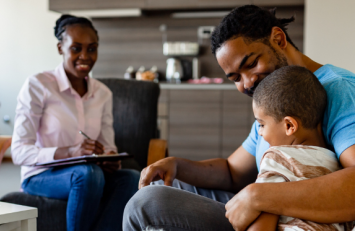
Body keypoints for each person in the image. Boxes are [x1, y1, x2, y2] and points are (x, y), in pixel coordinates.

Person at [123, 5, 355, 231]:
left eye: (251, 64)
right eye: (235, 77)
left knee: (146, 204)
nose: (248, 83)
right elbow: (233, 172)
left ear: (278, 39)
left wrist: (259, 196)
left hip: (294, 221)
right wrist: (177, 165)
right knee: (169, 185)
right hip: (266, 210)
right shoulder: (275, 99)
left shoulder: (338, 89)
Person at [11, 14, 140, 231]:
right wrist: (70, 152)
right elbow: (19, 152)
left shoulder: (103, 94)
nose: (85, 56)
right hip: (42, 175)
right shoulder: (38, 85)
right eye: (76, 48)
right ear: (60, 48)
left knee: (130, 178)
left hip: (90, 174)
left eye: (92, 48)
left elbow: (108, 146)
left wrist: (109, 158)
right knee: (87, 174)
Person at [247, 66, 352, 231]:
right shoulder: (338, 164)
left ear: (289, 125)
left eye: (261, 124)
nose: (260, 133)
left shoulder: (276, 158)